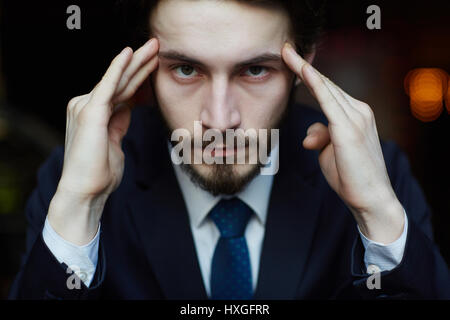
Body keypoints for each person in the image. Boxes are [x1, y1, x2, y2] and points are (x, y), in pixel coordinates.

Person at [9, 0, 450, 299]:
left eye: (255, 70)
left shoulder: (381, 174)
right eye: (186, 69)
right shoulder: (72, 178)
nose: (220, 120)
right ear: (144, 69)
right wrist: (80, 206)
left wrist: (375, 212)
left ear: (305, 64)